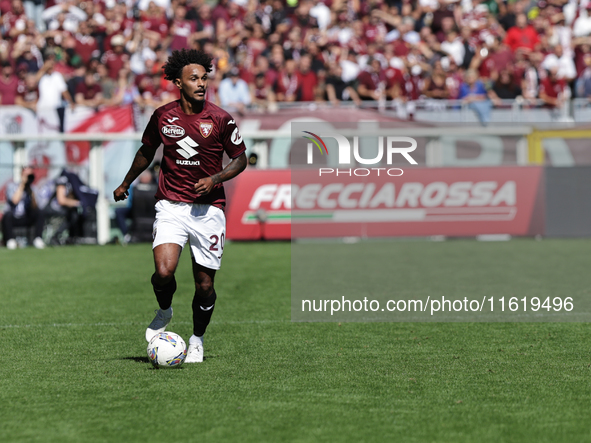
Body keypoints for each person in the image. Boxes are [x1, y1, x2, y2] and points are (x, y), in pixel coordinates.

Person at [113, 49, 247, 364]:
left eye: (204, 78)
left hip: (208, 210)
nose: (201, 84)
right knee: (163, 272)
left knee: (204, 284)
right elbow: (147, 151)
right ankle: (164, 311)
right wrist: (126, 182)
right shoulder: (163, 115)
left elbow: (240, 159)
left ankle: (197, 340)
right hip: (171, 205)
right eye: (194, 78)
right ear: (178, 82)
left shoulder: (219, 118)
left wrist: (215, 178)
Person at [2, 167, 45, 250]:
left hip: (27, 217)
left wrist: (30, 192)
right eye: (26, 175)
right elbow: (15, 200)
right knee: (7, 215)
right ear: (22, 175)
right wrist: (22, 185)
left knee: (40, 212)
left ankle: (38, 239)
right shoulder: (12, 186)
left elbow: (36, 206)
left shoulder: (33, 188)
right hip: (14, 216)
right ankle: (10, 241)